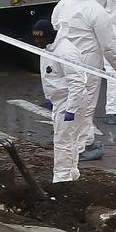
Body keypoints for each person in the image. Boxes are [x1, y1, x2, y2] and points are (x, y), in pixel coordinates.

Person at [51, 0, 116, 161]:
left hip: (62, 60)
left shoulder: (63, 4)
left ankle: (84, 140)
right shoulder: (95, 10)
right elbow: (108, 43)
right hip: (87, 63)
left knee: (69, 102)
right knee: (86, 104)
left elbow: (54, 26)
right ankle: (81, 146)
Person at [34, 20, 87, 182]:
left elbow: (77, 83)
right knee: (70, 140)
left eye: (40, 39)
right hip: (61, 100)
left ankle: (62, 180)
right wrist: (49, 97)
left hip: (70, 101)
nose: (37, 42)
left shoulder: (65, 52)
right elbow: (51, 76)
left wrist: (71, 109)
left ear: (49, 37)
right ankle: (71, 174)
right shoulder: (49, 48)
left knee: (63, 142)